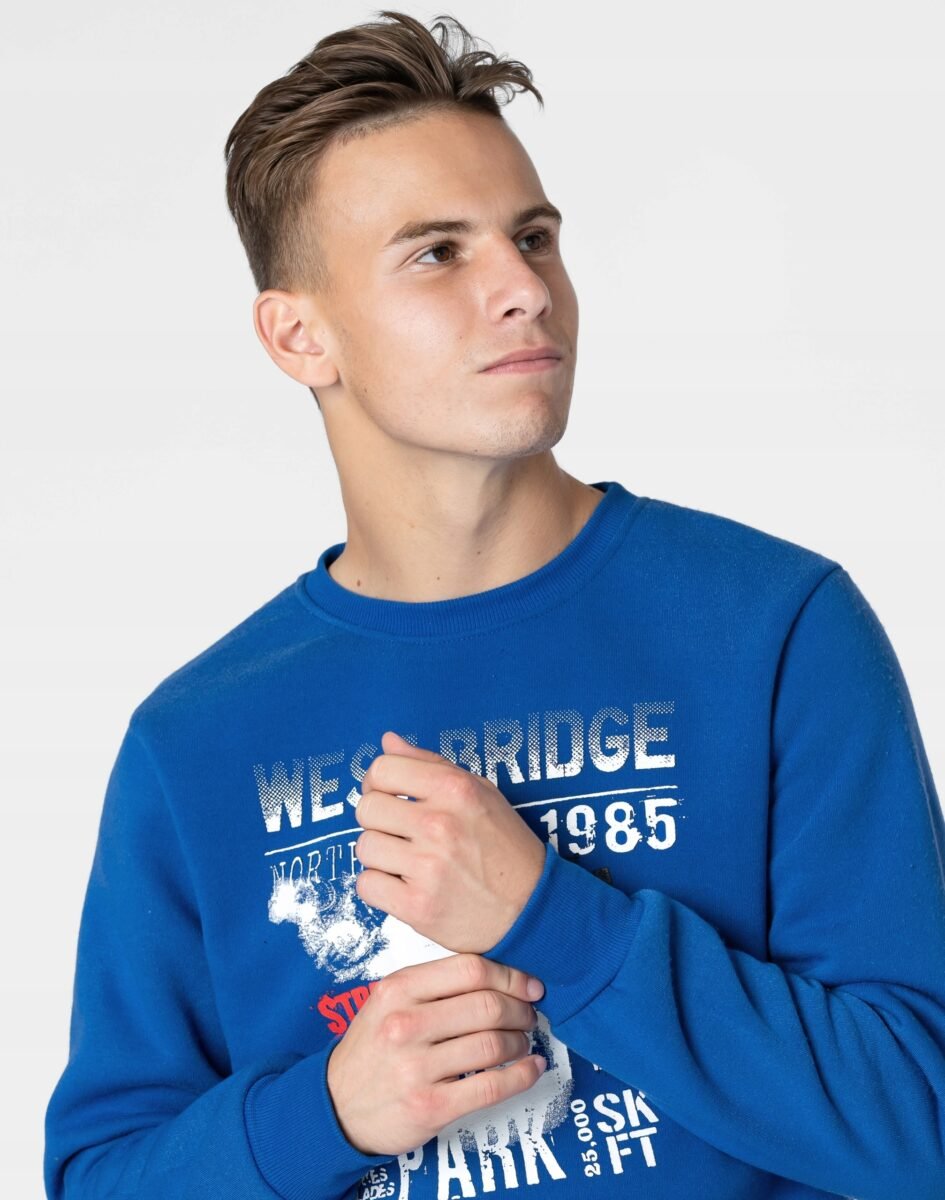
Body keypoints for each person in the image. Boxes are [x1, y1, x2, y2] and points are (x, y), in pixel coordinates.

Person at [44, 10, 945, 1200]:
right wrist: (327, 1115)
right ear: (299, 335)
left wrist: (556, 923)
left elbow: (922, 1122)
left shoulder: (775, 630)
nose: (525, 289)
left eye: (534, 238)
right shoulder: (192, 742)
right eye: (437, 253)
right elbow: (101, 1176)